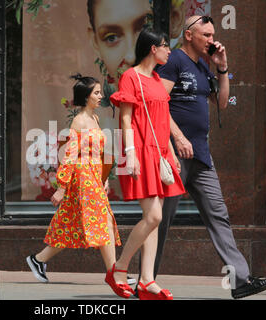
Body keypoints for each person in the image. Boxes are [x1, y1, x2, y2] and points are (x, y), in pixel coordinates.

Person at [153, 15, 266, 299]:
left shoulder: (202, 66)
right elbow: (158, 104)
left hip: (201, 154)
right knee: (160, 219)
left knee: (218, 215)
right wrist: (178, 138)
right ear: (188, 35)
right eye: (206, 35)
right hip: (174, 153)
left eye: (212, 35)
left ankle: (240, 280)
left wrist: (222, 69)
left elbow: (224, 101)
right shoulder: (174, 62)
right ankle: (146, 280)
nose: (212, 40)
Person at [108, 27, 186, 300]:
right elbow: (126, 118)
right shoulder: (131, 77)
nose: (169, 51)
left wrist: (171, 153)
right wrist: (129, 153)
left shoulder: (155, 79)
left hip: (160, 153)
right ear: (153, 49)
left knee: (152, 220)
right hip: (139, 150)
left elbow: (161, 121)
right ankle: (118, 269)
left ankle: (147, 280)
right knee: (154, 216)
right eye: (166, 46)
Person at [26, 74, 123, 283]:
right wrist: (61, 187)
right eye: (96, 93)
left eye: (99, 92)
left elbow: (96, 153)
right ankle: (115, 274)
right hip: (82, 176)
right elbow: (69, 156)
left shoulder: (94, 118)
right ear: (86, 96)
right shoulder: (79, 122)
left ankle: (38, 259)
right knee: (103, 220)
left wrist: (103, 178)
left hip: (93, 177)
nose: (100, 96)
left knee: (70, 225)